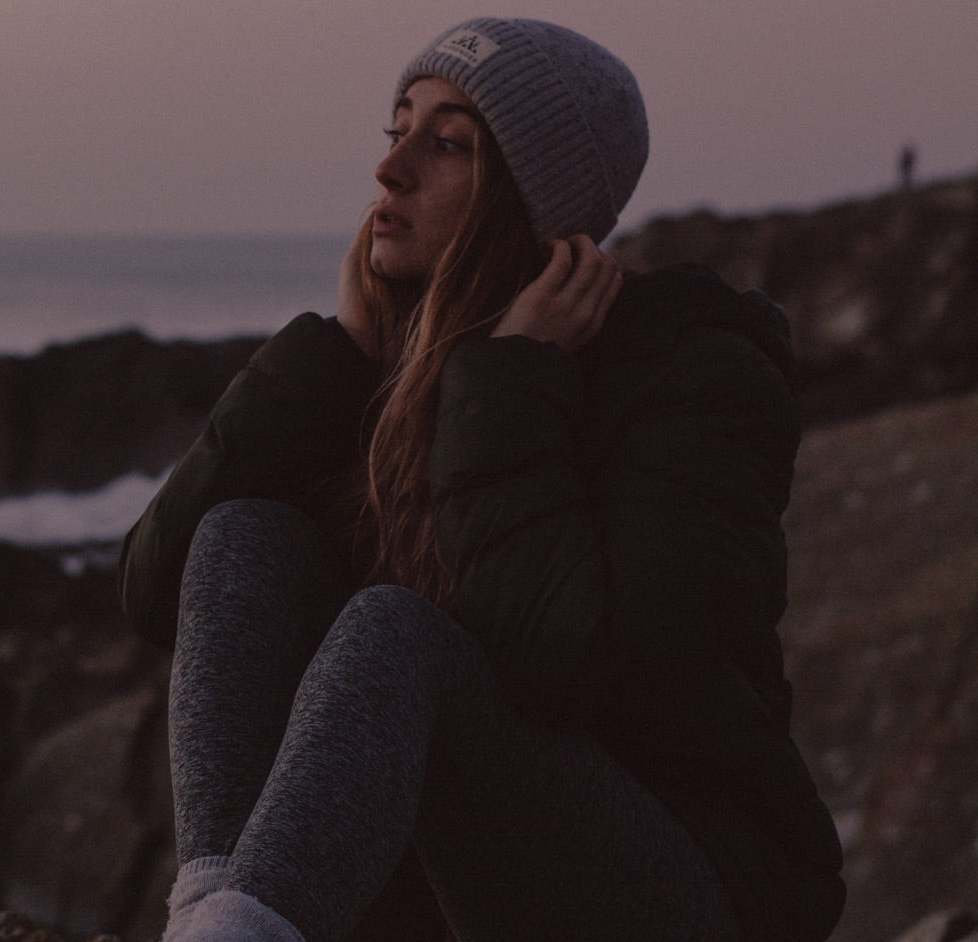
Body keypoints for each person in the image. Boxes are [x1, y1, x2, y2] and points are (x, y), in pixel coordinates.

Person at [119, 17, 845, 942]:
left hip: (682, 885)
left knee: (396, 632)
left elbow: (585, 669)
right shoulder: (388, 367)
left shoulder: (691, 377)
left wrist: (509, 388)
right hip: (450, 893)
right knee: (244, 534)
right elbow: (157, 593)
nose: (391, 169)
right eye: (397, 131)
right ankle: (217, 922)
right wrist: (332, 358)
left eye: (449, 142)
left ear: (533, 197)